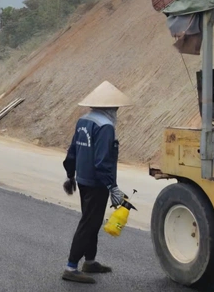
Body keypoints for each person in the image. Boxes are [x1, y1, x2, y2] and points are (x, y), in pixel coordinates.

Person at [61, 81, 133, 284]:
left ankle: (90, 261)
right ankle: (71, 266)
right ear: (111, 107)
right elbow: (103, 162)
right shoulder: (105, 127)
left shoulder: (84, 121)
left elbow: (73, 151)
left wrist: (70, 175)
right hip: (96, 182)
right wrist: (112, 187)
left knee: (92, 220)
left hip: (83, 179)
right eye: (116, 107)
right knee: (89, 222)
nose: (117, 111)